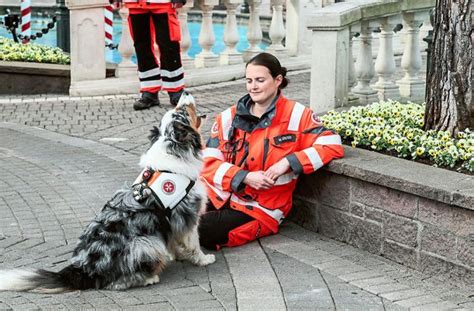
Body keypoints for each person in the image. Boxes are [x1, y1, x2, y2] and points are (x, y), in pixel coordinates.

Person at [198, 52, 344, 250]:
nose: (253, 87)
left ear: (278, 80)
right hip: (219, 195)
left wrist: (288, 162)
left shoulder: (297, 115)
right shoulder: (227, 117)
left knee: (198, 230)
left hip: (262, 209)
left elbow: (332, 144)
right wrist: (245, 177)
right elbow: (207, 162)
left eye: (260, 80)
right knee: (171, 215)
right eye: (249, 80)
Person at [112, 0, 186, 110]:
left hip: (163, 4)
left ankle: (176, 90)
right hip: (135, 4)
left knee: (169, 45)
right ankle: (149, 91)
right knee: (141, 46)